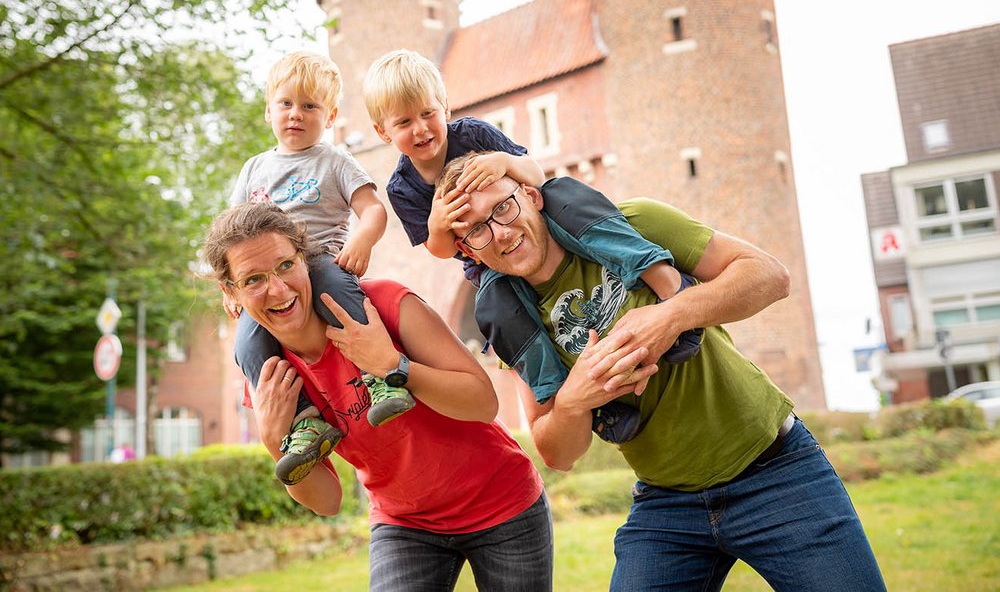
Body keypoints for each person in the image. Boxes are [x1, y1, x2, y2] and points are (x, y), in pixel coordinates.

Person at [438, 153, 888, 592]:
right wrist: (577, 397)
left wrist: (671, 316)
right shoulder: (511, 319)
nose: (500, 232)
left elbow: (770, 276)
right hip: (667, 505)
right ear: (466, 250)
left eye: (503, 208)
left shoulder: (631, 222)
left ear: (532, 196)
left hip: (776, 471)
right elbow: (559, 453)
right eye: (477, 229)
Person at [203, 202, 554, 592]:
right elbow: (328, 500)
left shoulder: (384, 304)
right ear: (229, 291)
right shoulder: (271, 378)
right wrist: (274, 443)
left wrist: (392, 365)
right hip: (405, 524)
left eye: (286, 265)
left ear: (305, 259)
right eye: (253, 279)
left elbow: (482, 402)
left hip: (502, 504)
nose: (279, 289)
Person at [363, 49, 701, 444]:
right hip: (484, 261)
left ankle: (670, 286)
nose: (421, 129)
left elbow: (536, 174)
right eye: (404, 122)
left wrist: (503, 164)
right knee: (499, 312)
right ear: (383, 132)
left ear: (445, 107)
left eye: (427, 113)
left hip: (540, 218)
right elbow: (440, 251)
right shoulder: (401, 188)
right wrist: (438, 226)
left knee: (571, 199)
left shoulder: (473, 134)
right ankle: (583, 403)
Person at [226, 51, 404, 486]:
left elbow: (372, 209)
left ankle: (381, 377)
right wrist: (231, 289)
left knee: (336, 293)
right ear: (268, 109)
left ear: (331, 115)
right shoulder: (255, 168)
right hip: (270, 274)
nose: (296, 115)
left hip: (320, 259)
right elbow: (231, 235)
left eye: (310, 106)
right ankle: (306, 421)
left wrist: (362, 240)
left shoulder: (335, 161)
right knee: (246, 345)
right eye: (286, 104)